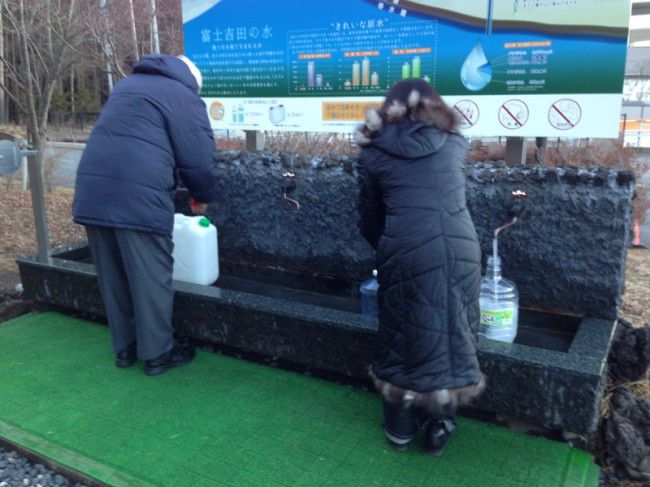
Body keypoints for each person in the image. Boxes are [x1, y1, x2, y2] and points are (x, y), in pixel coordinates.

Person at [355, 79, 485, 456]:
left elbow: (369, 217)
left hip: (407, 246)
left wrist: (390, 245)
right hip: (462, 247)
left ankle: (399, 428)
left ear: (388, 108)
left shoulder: (374, 151)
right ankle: (442, 422)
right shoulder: (455, 143)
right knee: (453, 329)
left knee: (400, 333)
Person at [72, 54, 219, 376]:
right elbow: (198, 154)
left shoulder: (126, 86)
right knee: (150, 274)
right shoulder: (182, 95)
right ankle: (157, 355)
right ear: (192, 81)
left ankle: (124, 350)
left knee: (112, 275)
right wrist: (202, 197)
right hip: (137, 195)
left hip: (93, 189)